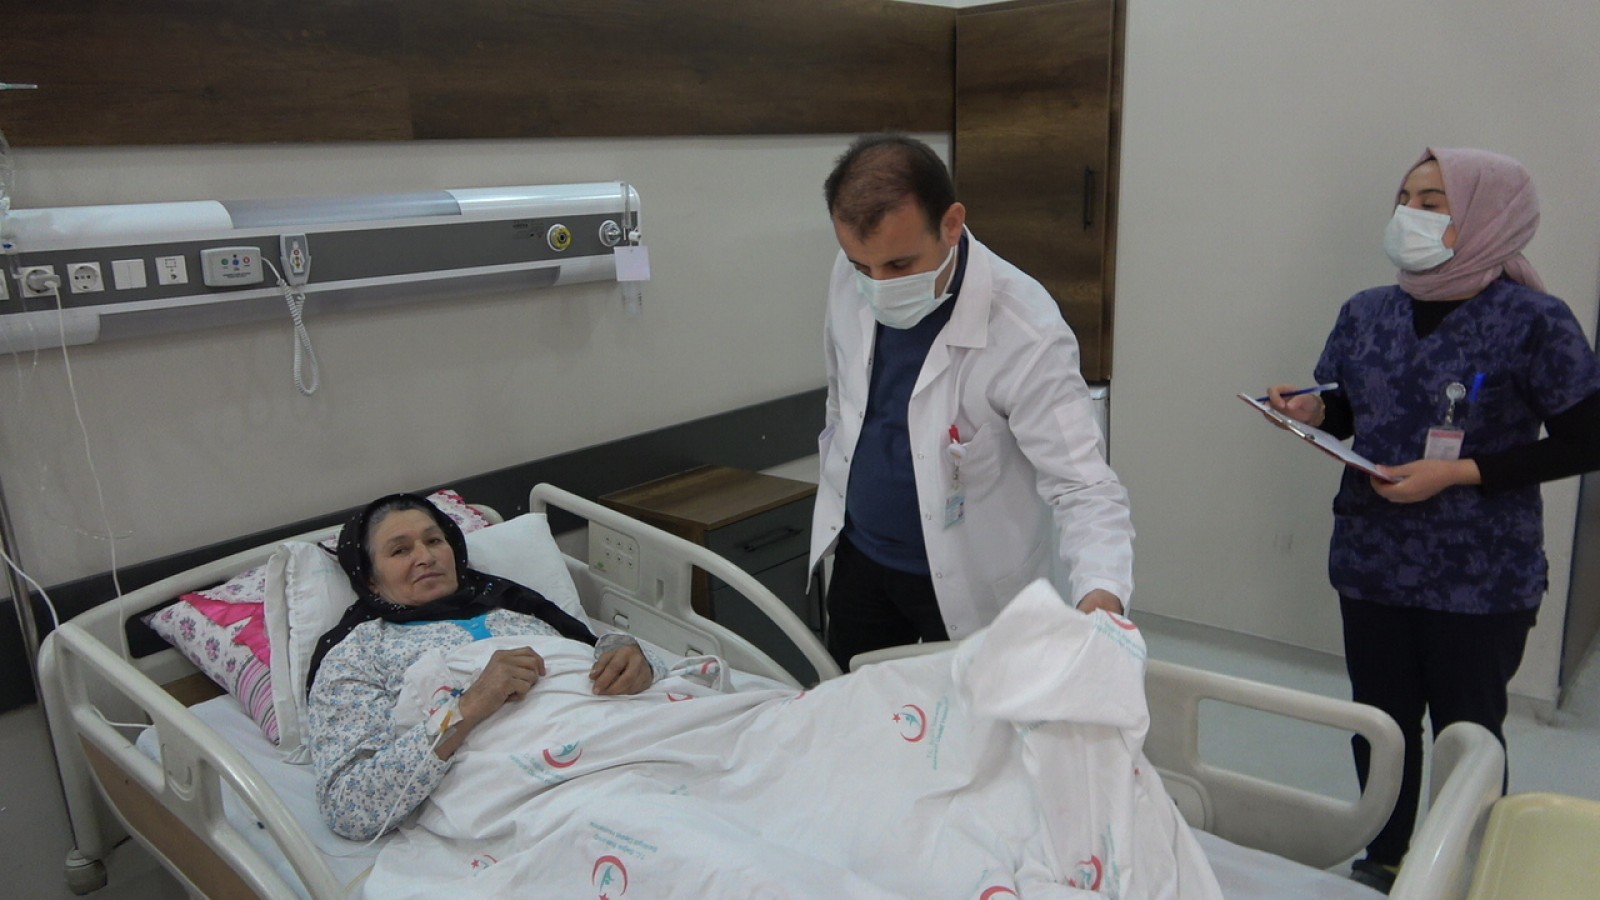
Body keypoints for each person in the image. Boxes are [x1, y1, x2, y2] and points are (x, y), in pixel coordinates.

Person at [1267, 148, 1600, 893]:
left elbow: (1587, 439)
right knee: (1380, 723)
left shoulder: (1534, 321)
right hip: (1373, 559)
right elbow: (1350, 406)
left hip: (1479, 573)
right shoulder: (1366, 311)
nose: (1409, 214)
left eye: (1432, 201)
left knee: (1466, 733)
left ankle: (1469, 868)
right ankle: (1384, 857)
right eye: (1405, 197)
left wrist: (1459, 471)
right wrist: (1314, 409)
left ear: (1488, 216)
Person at [810, 133, 1135, 671]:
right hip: (862, 556)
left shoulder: (1025, 329)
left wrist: (1101, 594)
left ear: (951, 224)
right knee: (855, 706)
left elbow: (1083, 485)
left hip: (968, 582)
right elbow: (842, 400)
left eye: (899, 265)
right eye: (862, 267)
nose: (878, 286)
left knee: (973, 716)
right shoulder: (852, 275)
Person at [306, 493, 662, 840]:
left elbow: (586, 654)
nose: (425, 557)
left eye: (434, 541)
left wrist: (638, 660)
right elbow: (347, 805)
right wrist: (467, 707)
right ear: (370, 578)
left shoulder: (518, 607)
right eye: (400, 550)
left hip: (632, 743)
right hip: (541, 791)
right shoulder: (360, 652)